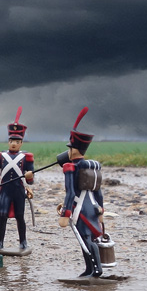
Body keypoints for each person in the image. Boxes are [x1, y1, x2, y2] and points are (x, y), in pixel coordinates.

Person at [58, 107, 105, 278]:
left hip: (79, 208)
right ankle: (89, 269)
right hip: (92, 206)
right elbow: (99, 192)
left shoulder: (70, 167)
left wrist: (65, 213)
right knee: (86, 239)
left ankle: (97, 269)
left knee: (86, 239)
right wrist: (101, 209)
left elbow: (70, 193)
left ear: (74, 150)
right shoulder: (91, 167)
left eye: (70, 148)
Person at [0, 107, 35, 252]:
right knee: (2, 216)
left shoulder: (26, 157)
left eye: (16, 141)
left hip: (18, 190)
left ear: (21, 143)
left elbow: (30, 180)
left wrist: (30, 178)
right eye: (11, 140)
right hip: (4, 191)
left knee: (20, 216)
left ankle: (23, 242)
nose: (13, 143)